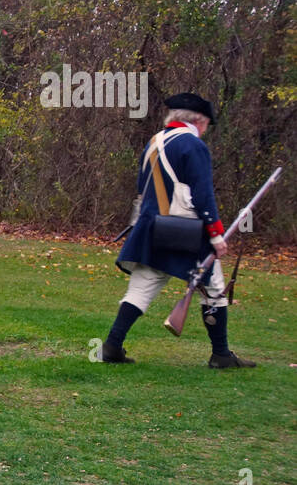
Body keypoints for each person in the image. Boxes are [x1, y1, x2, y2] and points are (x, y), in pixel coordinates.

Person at [101, 92, 255, 368]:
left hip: (151, 229)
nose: (206, 129)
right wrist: (216, 235)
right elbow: (203, 195)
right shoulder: (193, 145)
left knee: (140, 289)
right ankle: (220, 354)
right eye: (206, 123)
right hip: (187, 232)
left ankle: (112, 346)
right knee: (214, 290)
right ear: (197, 120)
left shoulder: (153, 143)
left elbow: (141, 186)